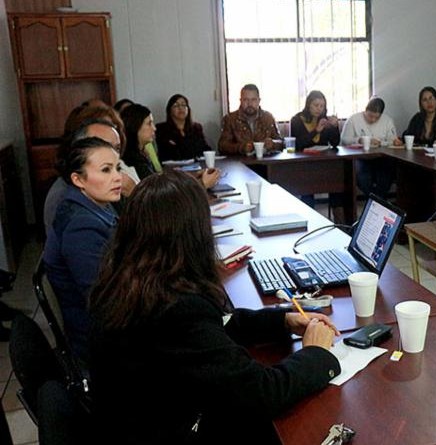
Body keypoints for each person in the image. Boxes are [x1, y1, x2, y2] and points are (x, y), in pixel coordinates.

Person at [88, 169, 340, 444]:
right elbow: (262, 395)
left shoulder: (130, 280)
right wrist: (316, 354)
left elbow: (216, 325)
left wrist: (282, 320)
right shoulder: (176, 309)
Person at [43, 137, 123, 361]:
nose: (117, 177)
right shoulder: (81, 226)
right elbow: (103, 300)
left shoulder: (95, 204)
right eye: (106, 170)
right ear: (78, 179)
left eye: (117, 168)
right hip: (102, 341)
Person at [44, 104, 136, 232]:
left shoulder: (103, 185)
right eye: (101, 145)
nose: (112, 155)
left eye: (117, 148)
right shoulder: (64, 199)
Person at [290, 91, 343, 214]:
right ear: (308, 105)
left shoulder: (324, 120)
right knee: (307, 184)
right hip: (303, 163)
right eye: (316, 105)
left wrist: (335, 127)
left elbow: (335, 143)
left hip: (323, 162)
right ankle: (310, 215)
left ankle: (340, 220)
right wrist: (316, 131)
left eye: (322, 106)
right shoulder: (297, 120)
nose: (319, 109)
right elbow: (297, 144)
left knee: (337, 179)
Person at [341, 98, 398, 198]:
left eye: (377, 117)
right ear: (366, 110)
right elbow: (345, 139)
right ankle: (376, 199)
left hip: (381, 157)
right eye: (370, 116)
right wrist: (359, 140)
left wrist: (381, 142)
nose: (373, 120)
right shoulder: (353, 119)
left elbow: (393, 140)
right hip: (360, 157)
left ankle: (377, 199)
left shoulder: (387, 121)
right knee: (360, 171)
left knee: (389, 169)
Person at [218, 84, 282, 155]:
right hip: (240, 160)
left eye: (253, 100)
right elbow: (222, 146)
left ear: (259, 101)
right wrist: (241, 147)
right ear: (240, 101)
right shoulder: (230, 119)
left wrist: (273, 144)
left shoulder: (268, 118)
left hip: (265, 160)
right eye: (246, 100)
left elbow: (281, 143)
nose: (249, 104)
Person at [156, 94, 213, 161]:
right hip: (173, 166)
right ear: (169, 110)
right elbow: (164, 153)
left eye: (183, 105)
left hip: (196, 164)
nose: (180, 108)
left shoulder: (196, 128)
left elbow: (205, 149)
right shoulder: (161, 129)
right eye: (176, 105)